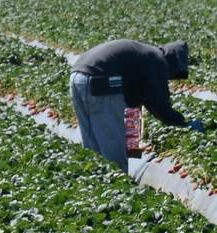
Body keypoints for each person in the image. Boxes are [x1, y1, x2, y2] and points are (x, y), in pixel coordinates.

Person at [70, 40, 201, 172]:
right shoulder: (157, 61)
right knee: (114, 150)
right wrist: (183, 125)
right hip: (101, 81)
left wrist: (133, 147)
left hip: (77, 77)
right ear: (172, 62)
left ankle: (96, 180)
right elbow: (159, 106)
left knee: (92, 145)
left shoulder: (142, 57)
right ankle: (117, 181)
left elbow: (133, 106)